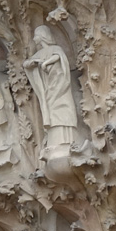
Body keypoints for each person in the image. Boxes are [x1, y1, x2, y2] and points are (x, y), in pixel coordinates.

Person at [23, 26, 79, 154]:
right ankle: (55, 141)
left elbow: (59, 57)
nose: (34, 38)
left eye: (36, 35)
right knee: (52, 112)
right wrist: (33, 62)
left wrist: (45, 63)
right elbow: (26, 63)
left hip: (60, 86)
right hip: (48, 88)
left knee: (63, 110)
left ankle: (68, 141)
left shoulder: (56, 49)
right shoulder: (39, 53)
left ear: (43, 36)